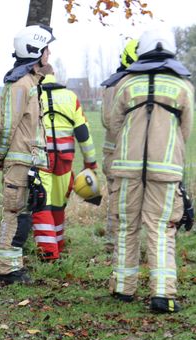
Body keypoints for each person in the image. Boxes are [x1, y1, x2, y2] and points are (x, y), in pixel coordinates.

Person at [108, 27, 193, 313]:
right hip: (166, 170)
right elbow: (186, 130)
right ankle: (162, 295)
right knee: (161, 229)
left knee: (125, 226)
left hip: (126, 168)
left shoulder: (126, 84)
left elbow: (114, 125)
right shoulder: (183, 87)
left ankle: (122, 288)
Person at [0, 25, 53, 284]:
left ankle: (13, 266)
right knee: (14, 213)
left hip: (27, 162)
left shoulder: (31, 82)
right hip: (18, 161)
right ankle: (8, 270)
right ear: (37, 50)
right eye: (47, 48)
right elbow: (7, 126)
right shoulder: (19, 84)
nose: (49, 54)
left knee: (22, 215)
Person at [33, 65, 97, 260]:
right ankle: (58, 246)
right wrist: (90, 164)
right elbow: (83, 134)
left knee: (41, 203)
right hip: (65, 159)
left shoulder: (33, 96)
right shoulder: (70, 97)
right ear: (54, 75)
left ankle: (48, 254)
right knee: (58, 205)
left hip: (41, 159)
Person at [100, 39, 139, 251]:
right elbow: (110, 120)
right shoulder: (120, 84)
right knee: (120, 199)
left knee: (120, 199)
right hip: (119, 153)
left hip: (118, 153)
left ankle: (114, 241)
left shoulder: (111, 84)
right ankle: (116, 243)